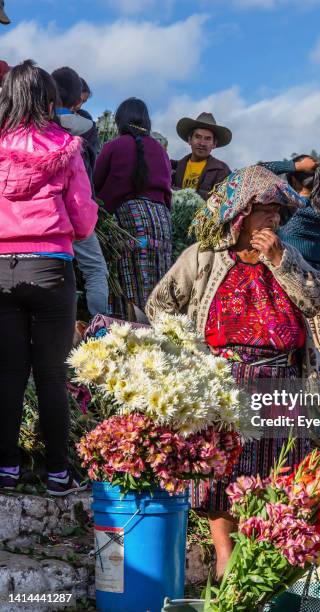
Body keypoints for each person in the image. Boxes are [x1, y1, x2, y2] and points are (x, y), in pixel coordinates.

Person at [146, 164, 320, 577]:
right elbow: (160, 304)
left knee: (278, 475)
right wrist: (188, 355)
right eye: (266, 210)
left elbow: (315, 300)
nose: (274, 220)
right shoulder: (204, 258)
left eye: (279, 213)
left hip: (281, 385)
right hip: (225, 384)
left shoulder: (286, 256)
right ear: (241, 214)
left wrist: (281, 261)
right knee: (223, 475)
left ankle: (265, 561)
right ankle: (226, 559)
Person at [0, 60, 98, 494]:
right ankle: (58, 472)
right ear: (48, 101)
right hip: (52, 267)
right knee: (53, 375)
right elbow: (83, 221)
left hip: (2, 271)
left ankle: (6, 468)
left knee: (7, 374)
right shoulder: (66, 147)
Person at [94, 97, 172, 319]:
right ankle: (159, 328)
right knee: (158, 279)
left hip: (127, 218)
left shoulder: (113, 146)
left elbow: (96, 185)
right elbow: (167, 191)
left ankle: (129, 331)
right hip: (160, 221)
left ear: (120, 122)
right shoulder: (159, 150)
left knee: (128, 280)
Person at [51, 66, 109, 317]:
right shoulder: (86, 127)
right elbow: (90, 170)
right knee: (95, 269)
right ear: (77, 100)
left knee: (55, 269)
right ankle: (99, 327)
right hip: (77, 209)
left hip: (47, 211)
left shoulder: (38, 124)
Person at [261, 155, 320, 277]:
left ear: (293, 180)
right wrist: (316, 173)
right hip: (316, 275)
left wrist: (295, 166)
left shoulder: (289, 207)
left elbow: (258, 171)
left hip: (288, 273)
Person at [172, 112, 231, 200]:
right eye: (198, 137)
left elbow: (221, 202)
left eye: (208, 139)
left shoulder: (222, 171)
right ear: (189, 140)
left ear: (214, 144)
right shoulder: (174, 167)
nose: (202, 143)